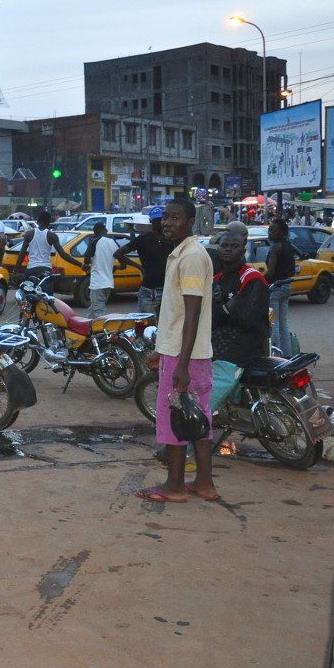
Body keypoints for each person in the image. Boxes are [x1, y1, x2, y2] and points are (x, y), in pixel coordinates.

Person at [136, 197, 216, 504]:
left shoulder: (191, 256)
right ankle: (204, 483)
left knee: (177, 418)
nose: (169, 223)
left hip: (187, 356)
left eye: (176, 218)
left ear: (190, 222)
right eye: (166, 217)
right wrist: (164, 350)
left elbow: (192, 314)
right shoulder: (183, 253)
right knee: (198, 417)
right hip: (186, 353)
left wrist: (180, 364)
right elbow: (178, 314)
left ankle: (175, 485)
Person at [209, 231, 269, 421]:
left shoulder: (252, 278)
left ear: (243, 250)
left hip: (243, 344)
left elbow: (247, 318)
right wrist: (227, 308)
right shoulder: (217, 278)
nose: (228, 250)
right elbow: (211, 316)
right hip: (219, 340)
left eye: (234, 246)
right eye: (224, 246)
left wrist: (222, 311)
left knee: (204, 400)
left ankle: (196, 425)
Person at [115, 207, 172, 318]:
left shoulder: (170, 240)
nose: (159, 223)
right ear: (151, 222)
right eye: (156, 220)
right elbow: (118, 254)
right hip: (149, 291)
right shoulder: (142, 239)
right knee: (144, 326)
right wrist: (139, 267)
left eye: (161, 220)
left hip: (167, 290)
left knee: (165, 328)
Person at [12, 210, 85, 284]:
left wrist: (15, 271)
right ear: (49, 222)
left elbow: (22, 254)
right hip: (46, 269)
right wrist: (81, 265)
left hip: (31, 268)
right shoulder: (52, 236)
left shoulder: (29, 234)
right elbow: (63, 254)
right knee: (47, 294)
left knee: (28, 292)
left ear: (38, 220)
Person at [266, 218, 296, 356]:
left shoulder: (275, 247)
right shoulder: (288, 245)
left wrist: (259, 278)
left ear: (282, 232)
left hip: (275, 288)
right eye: (269, 229)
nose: (270, 233)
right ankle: (287, 354)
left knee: (274, 323)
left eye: (273, 230)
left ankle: (276, 355)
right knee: (283, 323)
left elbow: (270, 272)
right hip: (286, 286)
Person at [83, 222, 120, 318]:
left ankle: (105, 330)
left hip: (97, 284)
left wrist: (87, 264)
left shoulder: (95, 241)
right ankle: (88, 328)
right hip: (108, 283)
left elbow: (86, 259)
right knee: (94, 308)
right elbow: (121, 259)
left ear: (95, 231)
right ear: (104, 230)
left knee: (99, 311)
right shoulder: (113, 242)